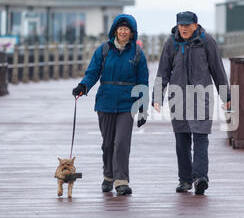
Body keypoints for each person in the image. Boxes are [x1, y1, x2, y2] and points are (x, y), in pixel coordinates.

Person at [152, 11, 231, 195]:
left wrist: (226, 97)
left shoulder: (207, 42)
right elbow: (163, 71)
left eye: (187, 25)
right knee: (182, 140)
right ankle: (185, 180)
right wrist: (157, 97)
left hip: (201, 96)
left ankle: (200, 177)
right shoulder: (171, 43)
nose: (184, 28)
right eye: (181, 25)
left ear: (196, 25)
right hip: (177, 97)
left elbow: (218, 71)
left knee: (201, 137)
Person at [72, 14, 149, 196]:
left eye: (126, 29)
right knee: (107, 143)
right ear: (115, 31)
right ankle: (108, 176)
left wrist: (142, 106)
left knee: (121, 142)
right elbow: (93, 72)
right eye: (120, 28)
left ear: (132, 33)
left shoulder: (137, 54)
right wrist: (83, 85)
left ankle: (121, 180)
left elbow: (143, 81)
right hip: (105, 101)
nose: (123, 31)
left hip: (127, 103)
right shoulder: (104, 50)